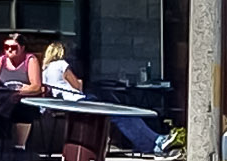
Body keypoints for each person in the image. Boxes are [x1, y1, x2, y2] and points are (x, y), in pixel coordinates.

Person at [39, 42, 172, 155]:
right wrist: (80, 82)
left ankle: (152, 142)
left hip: (64, 105)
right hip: (78, 102)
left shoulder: (44, 71)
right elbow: (77, 86)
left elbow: (47, 91)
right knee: (121, 114)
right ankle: (153, 142)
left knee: (118, 114)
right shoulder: (62, 64)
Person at [0, 33, 39, 160]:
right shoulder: (0, 61)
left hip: (23, 98)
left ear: (22, 47)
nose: (9, 50)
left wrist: (19, 92)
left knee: (23, 109)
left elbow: (36, 86)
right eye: (6, 47)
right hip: (2, 99)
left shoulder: (30, 60)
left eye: (14, 47)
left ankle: (19, 147)